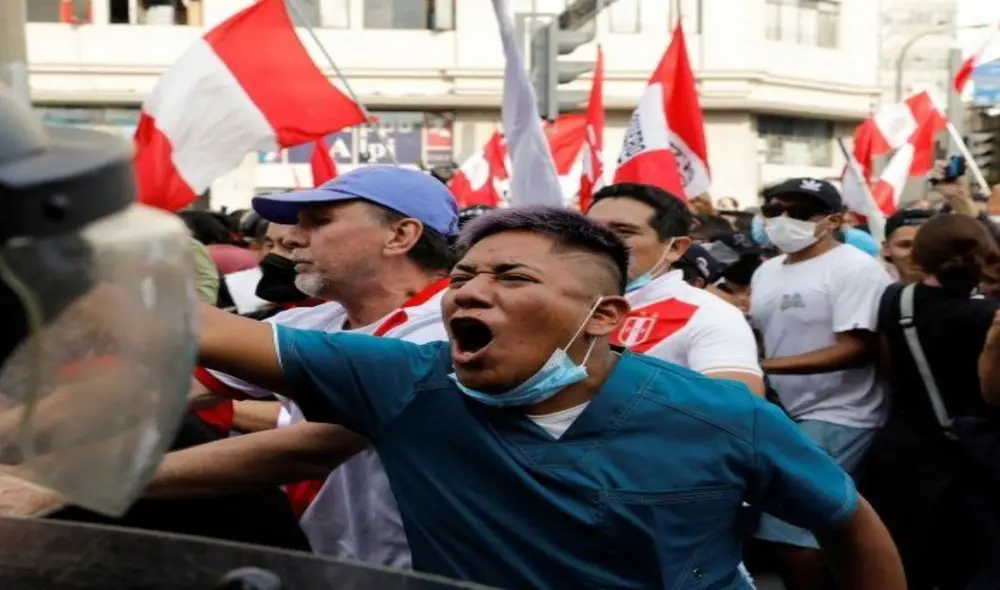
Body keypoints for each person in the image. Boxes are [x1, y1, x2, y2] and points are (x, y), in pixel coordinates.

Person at [193, 205, 905, 589]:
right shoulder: (406, 382)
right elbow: (198, 332)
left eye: (513, 278)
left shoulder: (721, 416)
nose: (472, 290)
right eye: (465, 275)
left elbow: (848, 520)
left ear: (604, 316)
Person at [171, 166, 457, 567]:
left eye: (319, 222)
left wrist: (86, 484)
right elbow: (176, 391)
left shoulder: (449, 326)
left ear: (399, 236)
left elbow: (309, 449)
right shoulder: (310, 320)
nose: (289, 238)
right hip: (329, 567)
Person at [749, 178, 892, 589]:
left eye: (800, 212)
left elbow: (857, 347)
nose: (784, 220)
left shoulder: (854, 268)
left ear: (833, 220)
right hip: (785, 411)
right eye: (775, 211)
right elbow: (764, 332)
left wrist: (766, 367)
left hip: (844, 412)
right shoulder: (766, 271)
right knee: (803, 521)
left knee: (789, 529)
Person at [865, 213, 1000, 589]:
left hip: (906, 446)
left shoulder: (896, 299)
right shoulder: (987, 318)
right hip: (972, 453)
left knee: (911, 559)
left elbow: (887, 364)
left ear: (920, 257)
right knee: (970, 560)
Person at [586, 183, 764, 395]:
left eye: (623, 232)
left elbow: (735, 412)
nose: (597, 241)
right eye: (588, 230)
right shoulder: (557, 300)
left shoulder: (710, 316)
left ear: (675, 248)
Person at [881, 208, 933, 283]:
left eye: (927, 245)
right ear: (886, 249)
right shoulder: (876, 289)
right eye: (905, 245)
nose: (917, 254)